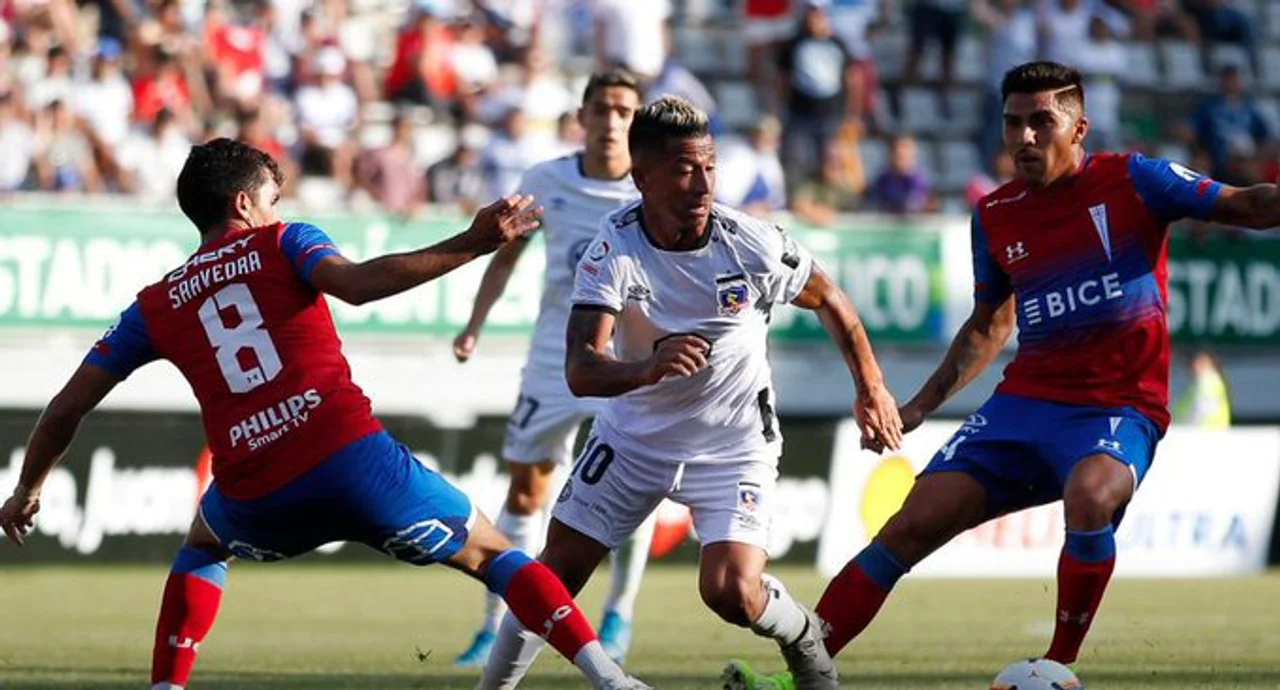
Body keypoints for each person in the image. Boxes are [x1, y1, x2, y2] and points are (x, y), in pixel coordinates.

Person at [0, 138, 651, 690]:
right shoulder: (284, 242)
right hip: (352, 463)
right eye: (272, 198)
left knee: (202, 543)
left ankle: (167, 686)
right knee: (496, 554)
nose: (278, 209)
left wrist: (27, 491)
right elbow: (359, 286)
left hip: (255, 495)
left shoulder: (155, 303)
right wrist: (474, 241)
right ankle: (609, 679)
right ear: (243, 204)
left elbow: (65, 410)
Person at [727, 60, 1280, 688]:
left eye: (1041, 122)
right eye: (1013, 123)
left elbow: (1248, 205)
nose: (1024, 137)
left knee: (1090, 496)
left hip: (1118, 405)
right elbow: (989, 326)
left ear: (1079, 129)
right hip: (1024, 406)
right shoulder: (994, 214)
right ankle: (802, 675)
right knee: (910, 525)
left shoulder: (1133, 179)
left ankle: (1058, 666)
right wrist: (918, 405)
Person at [476, 96, 903, 690]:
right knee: (554, 577)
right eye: (684, 169)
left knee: (731, 592)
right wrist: (647, 369)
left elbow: (830, 298)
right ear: (642, 177)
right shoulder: (613, 247)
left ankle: (802, 635)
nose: (703, 184)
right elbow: (581, 369)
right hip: (633, 439)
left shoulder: (750, 242)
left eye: (709, 166)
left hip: (733, 445)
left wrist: (872, 389)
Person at [450, 69, 654, 667]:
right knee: (526, 488)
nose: (612, 121)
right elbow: (505, 257)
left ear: (636, 121)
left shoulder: (651, 185)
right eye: (602, 109)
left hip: (627, 358)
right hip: (554, 357)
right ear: (581, 116)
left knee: (636, 489)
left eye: (624, 111)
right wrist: (474, 325)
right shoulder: (546, 180)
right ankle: (497, 625)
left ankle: (618, 615)